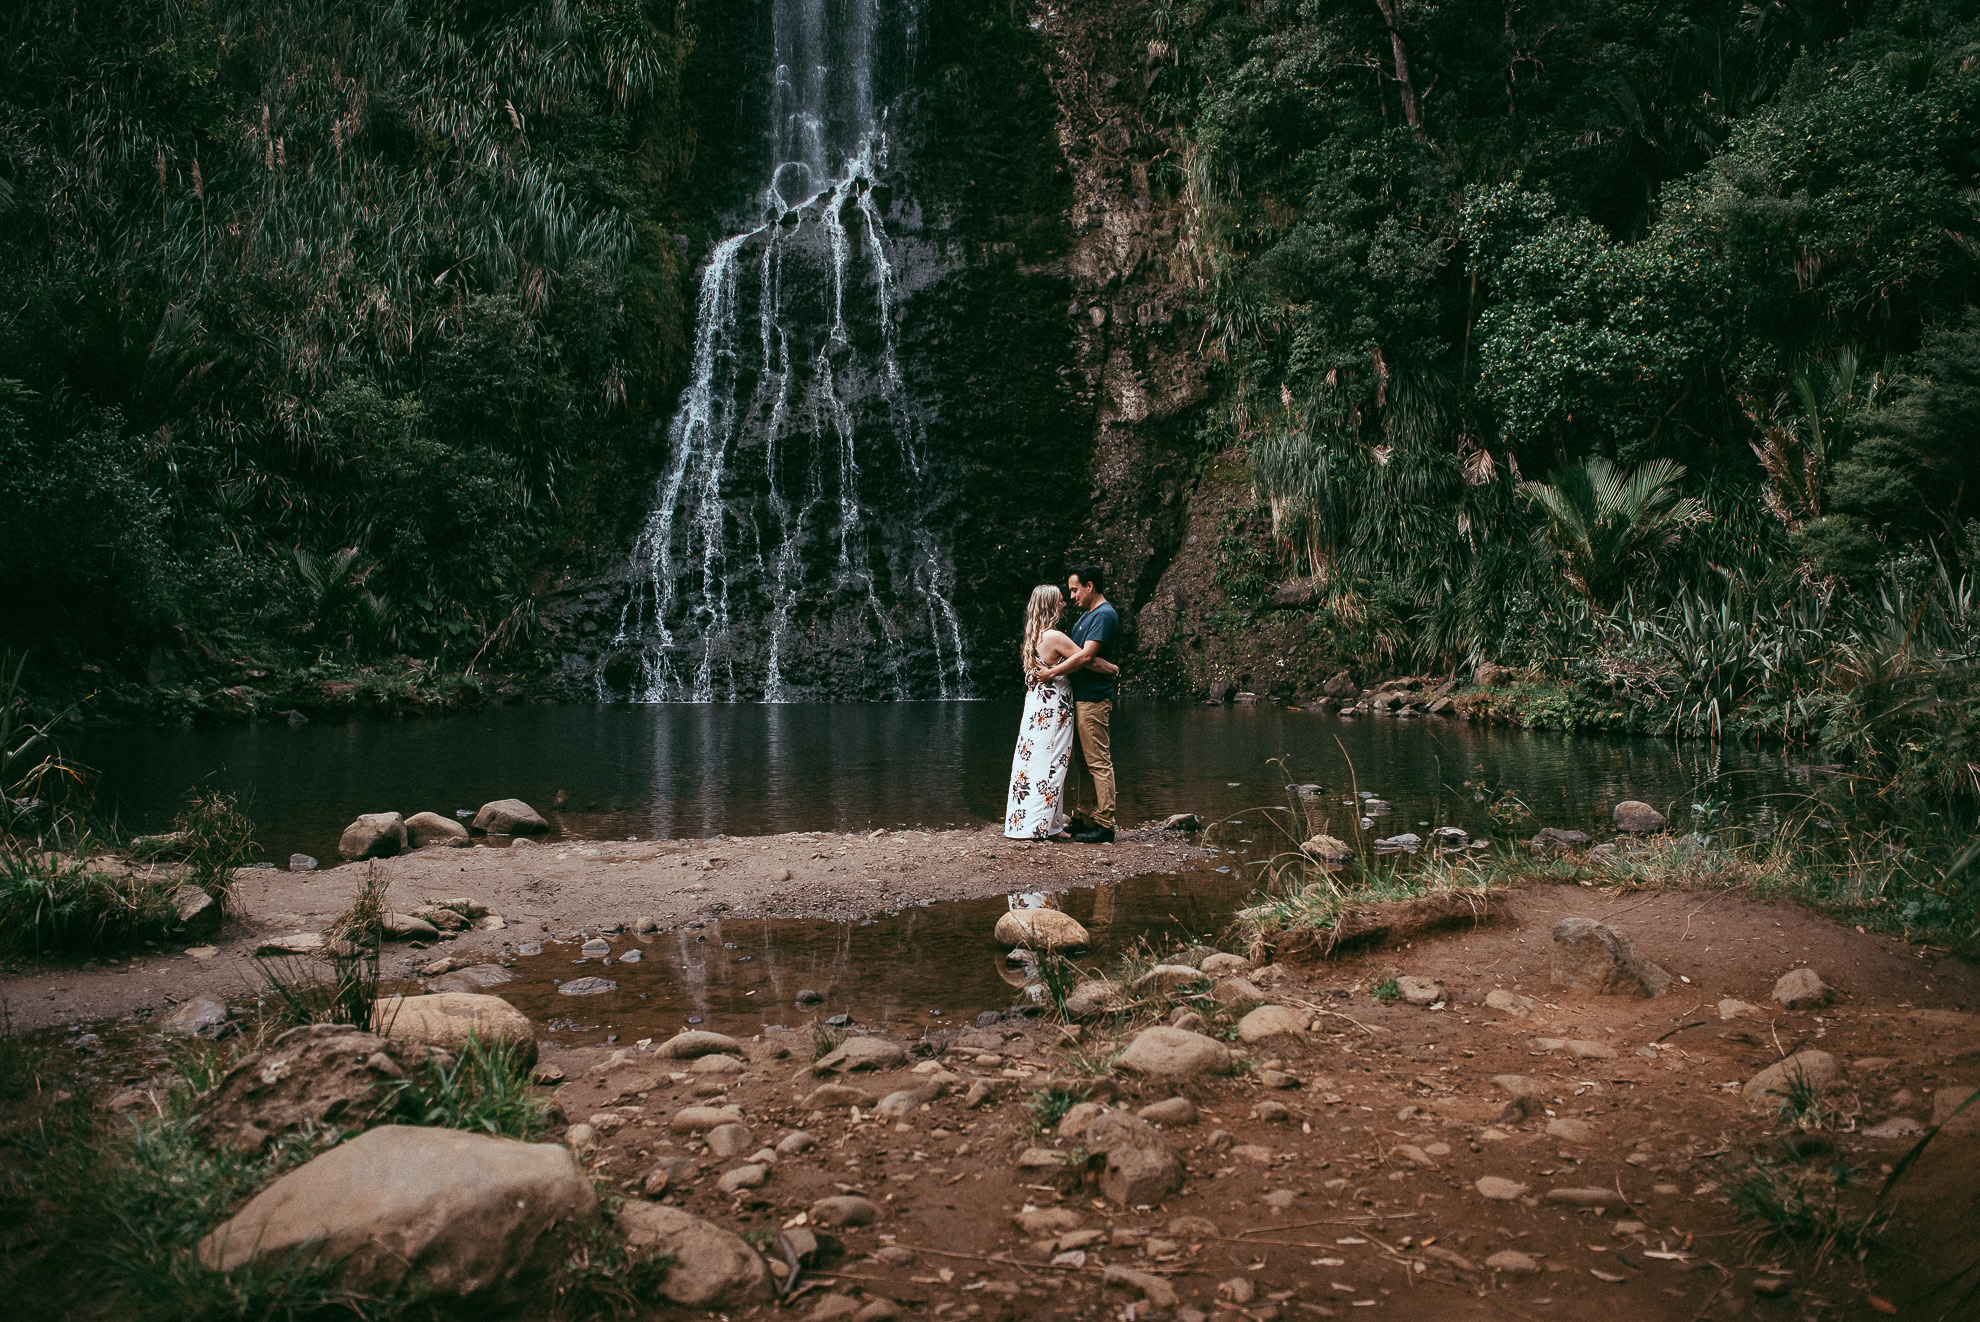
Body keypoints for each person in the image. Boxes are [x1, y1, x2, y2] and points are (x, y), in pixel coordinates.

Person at [1002, 584, 1119, 840]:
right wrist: (1112, 668)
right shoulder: (1054, 636)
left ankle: (1028, 822)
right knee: (1052, 764)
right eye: (1060, 600)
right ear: (1050, 605)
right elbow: (1086, 659)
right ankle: (1045, 826)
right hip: (1052, 711)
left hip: (1036, 710)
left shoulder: (1034, 635)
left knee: (1033, 764)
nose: (1065, 603)